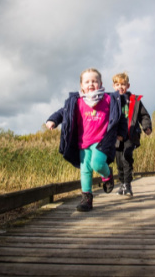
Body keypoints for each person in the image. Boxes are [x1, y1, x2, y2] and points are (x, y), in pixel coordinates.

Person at [46, 68, 127, 212]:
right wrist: (53, 120)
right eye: (87, 81)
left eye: (94, 81)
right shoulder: (77, 101)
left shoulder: (109, 99)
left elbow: (120, 117)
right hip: (83, 142)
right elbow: (63, 111)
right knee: (85, 170)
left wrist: (121, 133)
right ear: (81, 86)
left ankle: (107, 174)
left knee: (97, 163)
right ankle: (86, 198)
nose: (91, 84)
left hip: (103, 141)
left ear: (101, 84)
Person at [112, 72, 152, 196]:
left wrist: (147, 127)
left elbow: (144, 115)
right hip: (117, 137)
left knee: (126, 157)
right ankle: (122, 183)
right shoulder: (111, 100)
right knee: (119, 161)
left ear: (128, 85)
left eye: (123, 84)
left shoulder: (135, 100)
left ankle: (128, 185)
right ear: (114, 86)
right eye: (117, 84)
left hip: (131, 135)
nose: (120, 87)